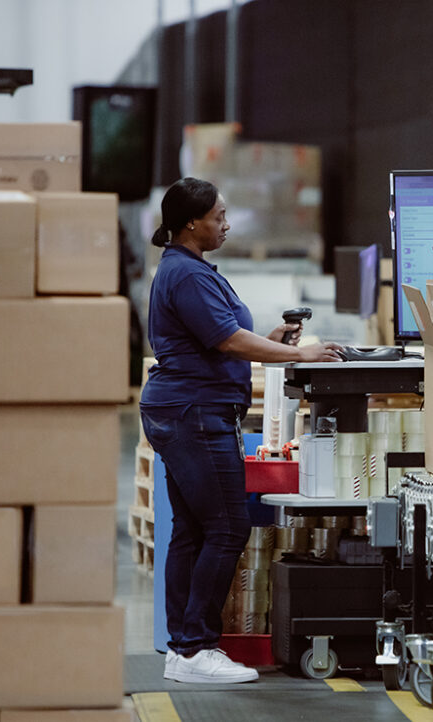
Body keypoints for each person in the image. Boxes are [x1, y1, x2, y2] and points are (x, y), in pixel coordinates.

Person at [140, 177, 342, 684]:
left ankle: (183, 647)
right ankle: (196, 649)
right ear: (192, 222)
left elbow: (220, 338)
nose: (227, 225)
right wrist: (298, 353)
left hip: (185, 411)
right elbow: (227, 341)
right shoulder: (185, 275)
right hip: (195, 414)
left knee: (192, 530)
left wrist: (272, 339)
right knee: (228, 527)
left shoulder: (191, 270)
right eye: (219, 216)